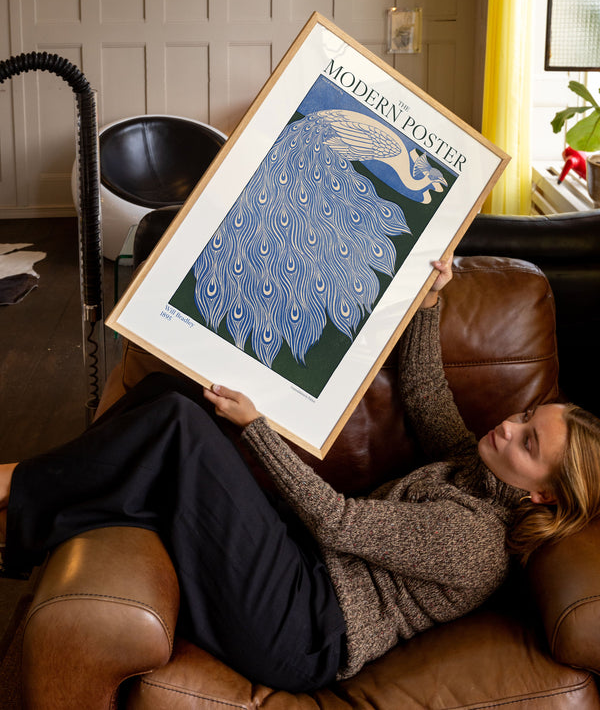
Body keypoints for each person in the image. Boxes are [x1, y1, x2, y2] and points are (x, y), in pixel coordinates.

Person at [0, 256, 599, 692]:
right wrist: (429, 303)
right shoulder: (477, 465)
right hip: (301, 567)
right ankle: (28, 513)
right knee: (170, 389)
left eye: (528, 442)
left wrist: (256, 426)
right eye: (526, 415)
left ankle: (13, 490)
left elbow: (339, 522)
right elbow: (424, 392)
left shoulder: (477, 541)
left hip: (301, 627)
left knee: (182, 426)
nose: (508, 426)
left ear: (542, 495)